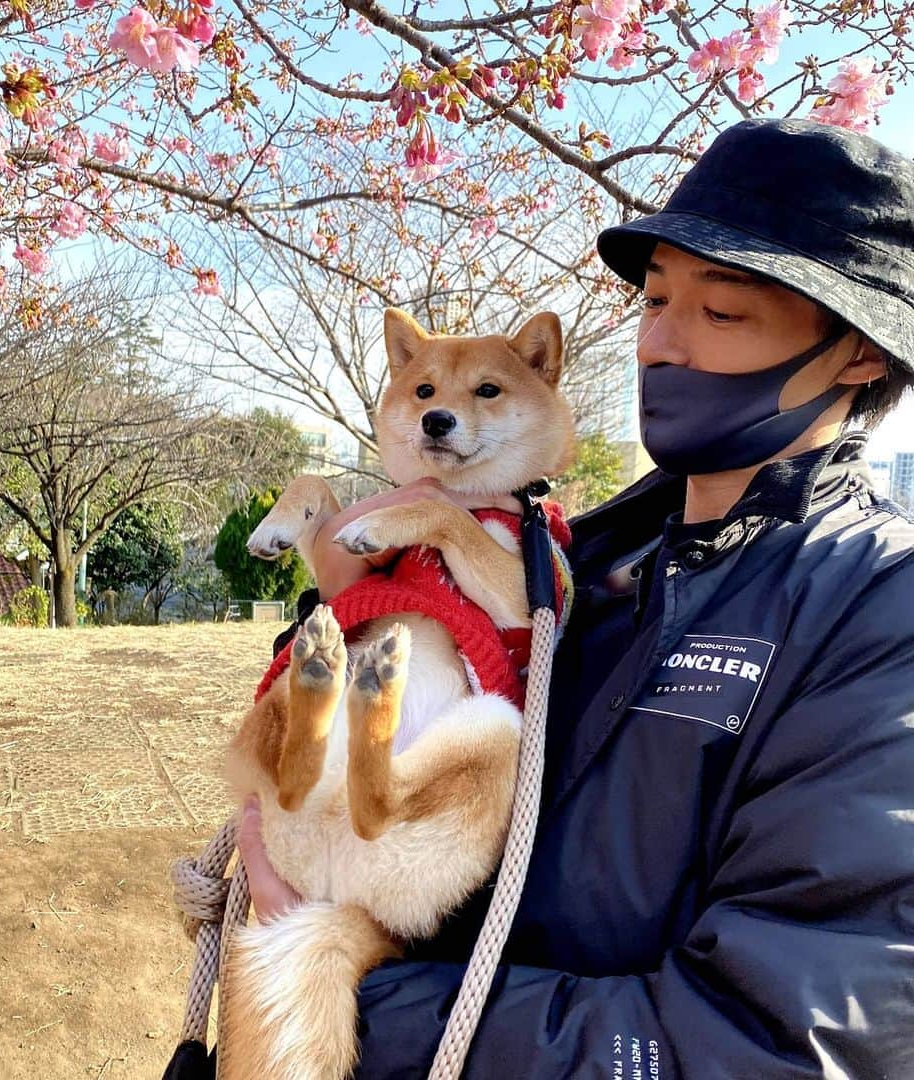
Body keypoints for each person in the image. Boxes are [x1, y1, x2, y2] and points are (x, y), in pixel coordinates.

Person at [237, 118, 914, 1078]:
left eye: (722, 314)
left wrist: (367, 998)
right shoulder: (585, 561)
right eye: (656, 302)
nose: (663, 345)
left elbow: (779, 1045)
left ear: (858, 355)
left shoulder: (880, 609)